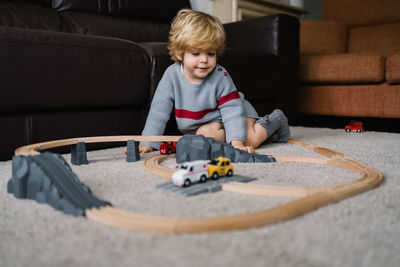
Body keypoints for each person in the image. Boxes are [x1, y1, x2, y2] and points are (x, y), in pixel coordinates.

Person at [140, 9, 290, 154]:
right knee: (206, 140)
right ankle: (272, 136)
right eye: (196, 53)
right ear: (180, 53)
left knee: (249, 140)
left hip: (237, 112)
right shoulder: (171, 75)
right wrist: (148, 143)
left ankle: (276, 120)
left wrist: (237, 142)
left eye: (210, 53)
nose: (204, 60)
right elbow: (158, 112)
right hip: (206, 126)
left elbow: (232, 110)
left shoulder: (220, 75)